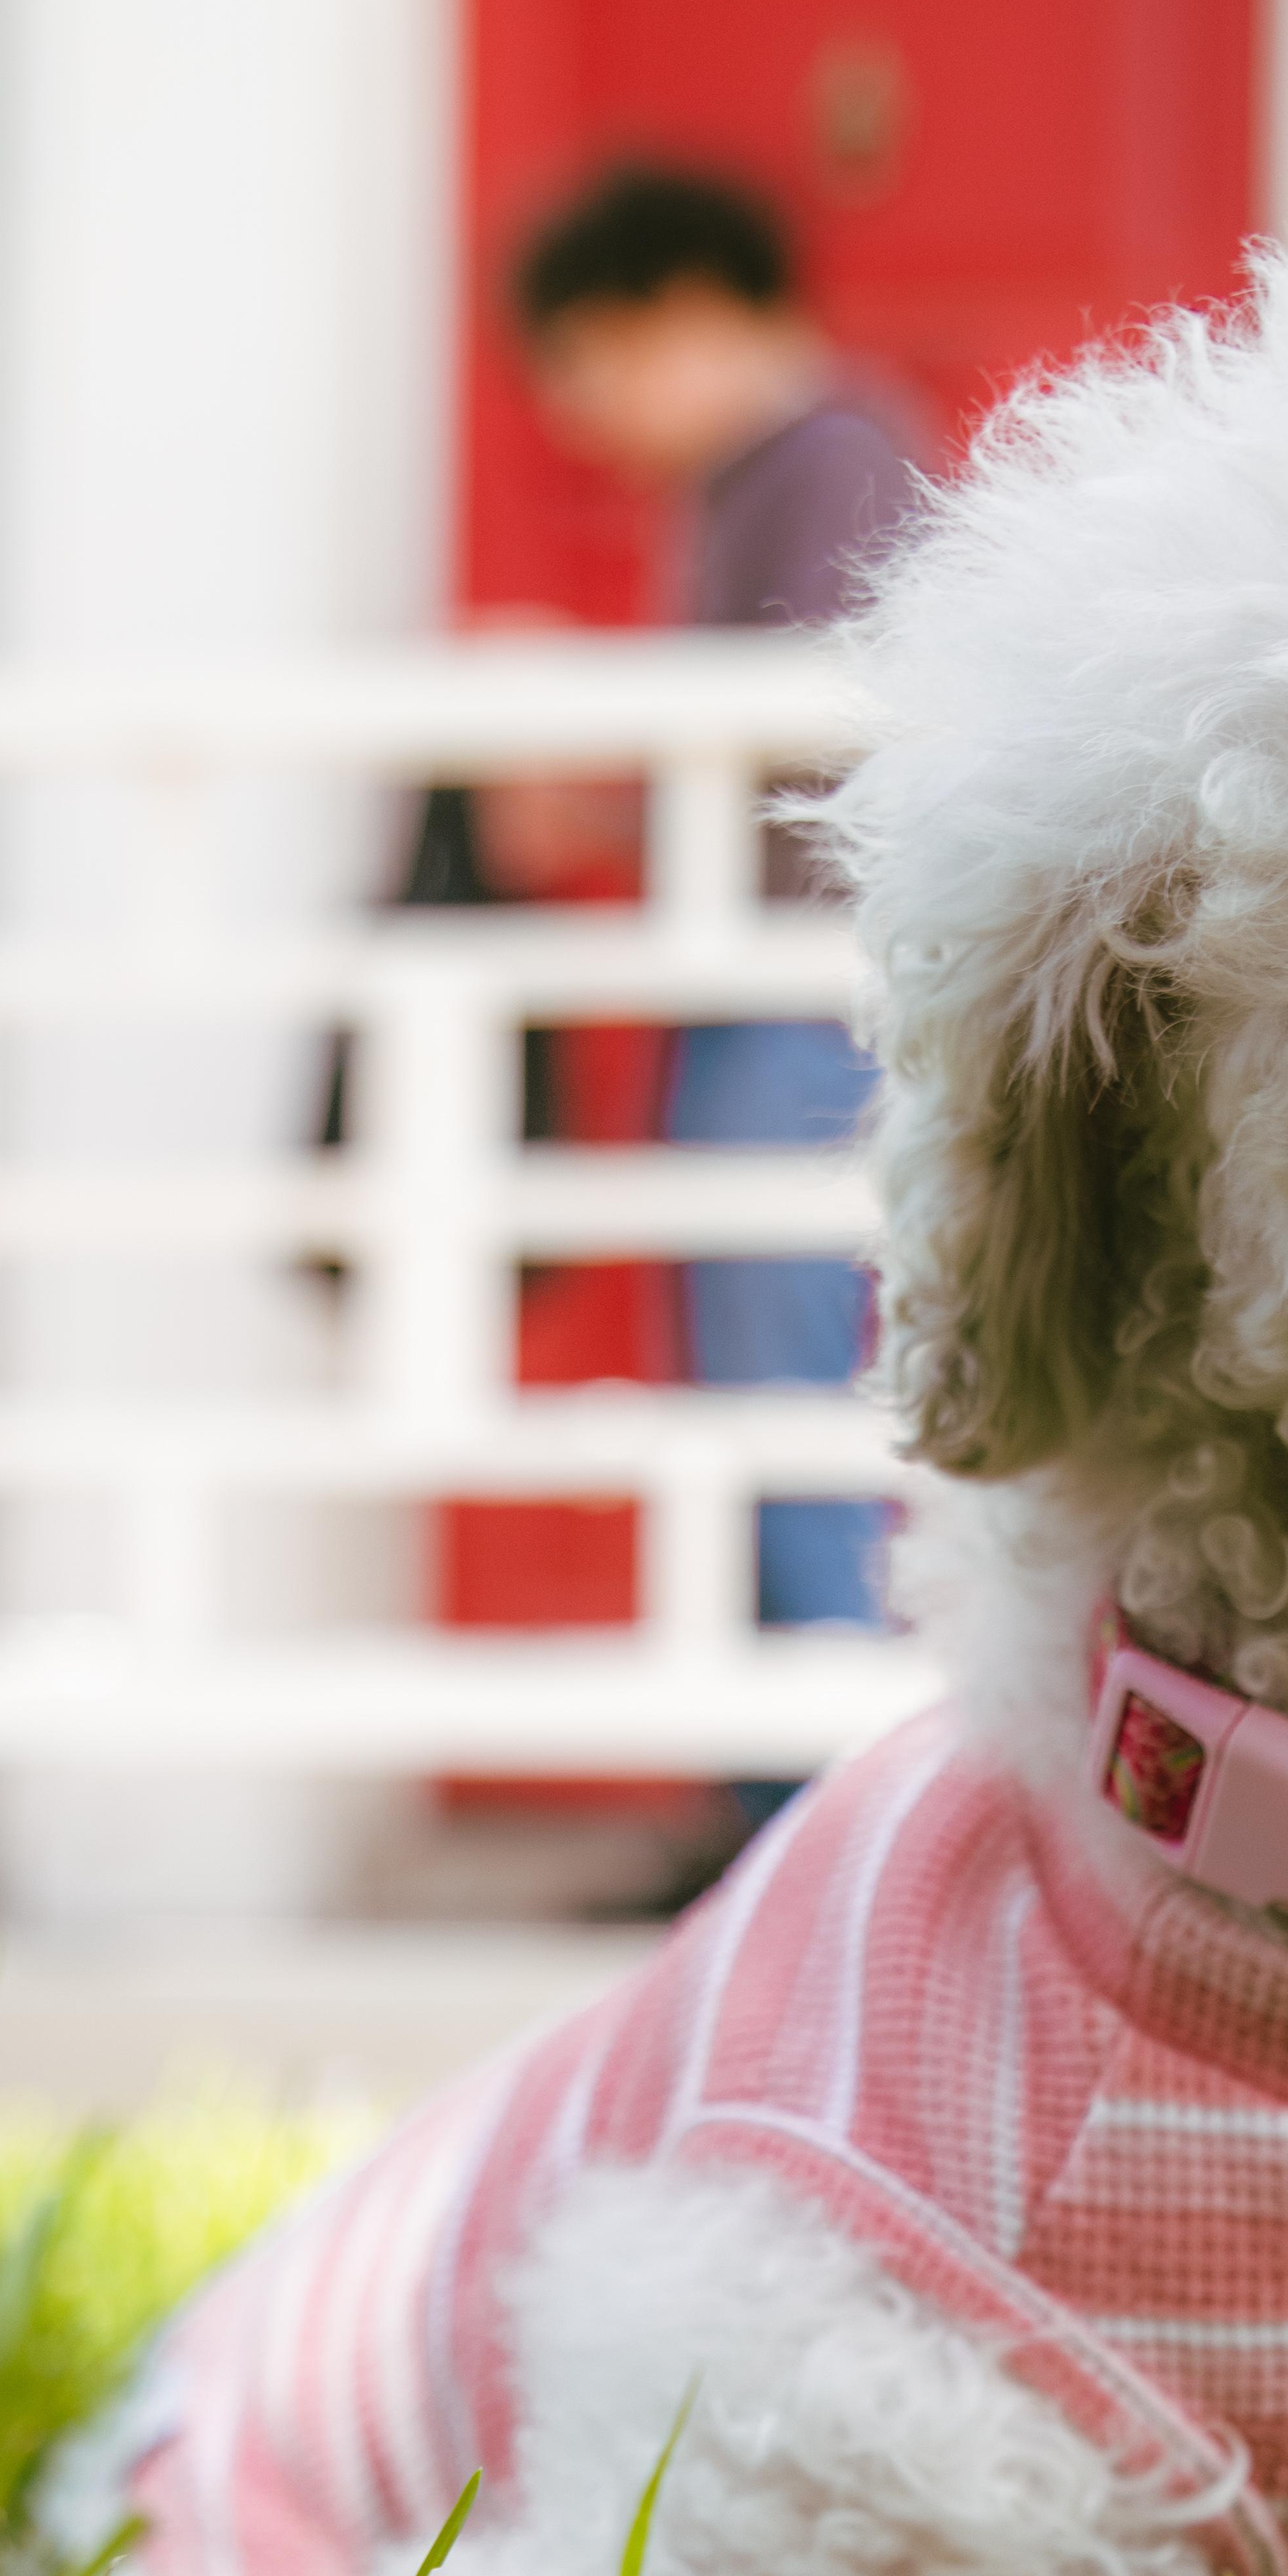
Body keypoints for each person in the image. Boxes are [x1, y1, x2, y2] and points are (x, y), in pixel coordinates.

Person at [511, 161, 924, 1630]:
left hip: (804, 1006)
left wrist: (587, 787)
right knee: (764, 1400)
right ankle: (792, 1725)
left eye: (591, 364)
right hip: (779, 999)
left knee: (787, 1407)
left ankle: (820, 1727)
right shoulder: (791, 469)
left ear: (683, 309)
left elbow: (804, 743)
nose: (582, 415)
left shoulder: (832, 460)